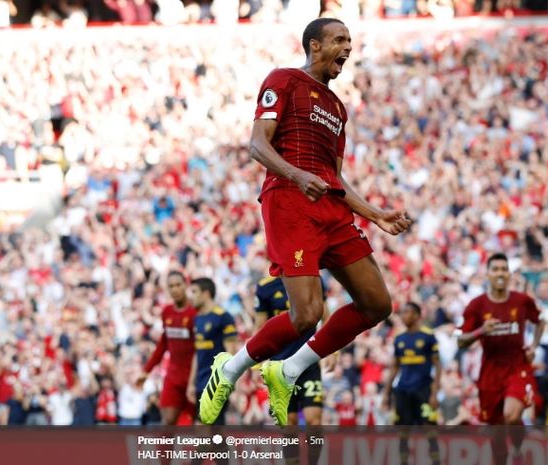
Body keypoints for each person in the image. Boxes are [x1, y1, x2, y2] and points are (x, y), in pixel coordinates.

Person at [198, 16, 411, 427]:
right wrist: (296, 175)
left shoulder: (337, 109)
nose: (347, 47)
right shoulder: (285, 80)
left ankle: (288, 370)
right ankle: (228, 370)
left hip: (329, 207)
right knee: (306, 314)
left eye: (350, 40)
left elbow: (336, 179)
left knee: (377, 304)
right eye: (339, 40)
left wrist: (376, 214)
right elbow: (257, 143)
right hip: (290, 202)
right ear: (315, 46)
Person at [457, 253, 546, 465]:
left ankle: (517, 448)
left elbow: (540, 322)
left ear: (509, 274)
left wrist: (533, 346)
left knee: (511, 416)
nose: (500, 274)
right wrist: (481, 331)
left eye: (503, 270)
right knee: (496, 434)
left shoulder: (522, 301)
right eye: (495, 269)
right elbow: (461, 341)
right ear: (487, 274)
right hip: (490, 372)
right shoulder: (476, 306)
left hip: (517, 365)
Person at [255, 275, 330, 465]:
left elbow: (326, 316)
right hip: (280, 366)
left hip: (309, 362)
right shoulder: (265, 287)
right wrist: (257, 362)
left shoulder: (312, 278)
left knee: (314, 421)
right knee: (289, 424)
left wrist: (333, 352)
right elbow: (260, 328)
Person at [382, 302, 441, 465]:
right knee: (402, 430)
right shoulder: (399, 339)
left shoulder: (428, 336)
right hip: (402, 390)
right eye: (401, 313)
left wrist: (435, 393)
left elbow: (437, 365)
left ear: (417, 315)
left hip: (423, 389)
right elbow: (394, 366)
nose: (403, 316)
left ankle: (436, 461)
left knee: (430, 428)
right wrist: (386, 394)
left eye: (407, 312)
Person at [138, 271, 196, 425]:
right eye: (171, 286)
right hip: (173, 376)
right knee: (168, 421)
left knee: (201, 424)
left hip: (195, 376)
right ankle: (164, 450)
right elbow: (163, 344)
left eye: (178, 285)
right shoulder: (167, 312)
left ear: (186, 285)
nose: (175, 289)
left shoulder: (195, 312)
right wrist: (146, 371)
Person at [187, 277, 239, 425]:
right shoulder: (197, 319)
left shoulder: (223, 317)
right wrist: (191, 383)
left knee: (205, 431)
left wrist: (232, 384)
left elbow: (232, 355)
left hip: (216, 383)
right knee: (211, 434)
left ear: (206, 293)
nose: (192, 296)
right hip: (200, 382)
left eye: (194, 291)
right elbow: (197, 354)